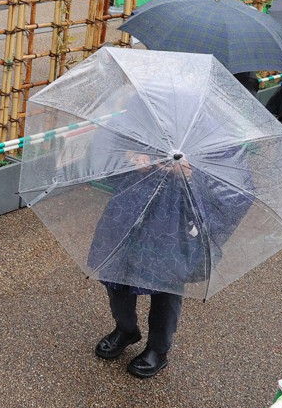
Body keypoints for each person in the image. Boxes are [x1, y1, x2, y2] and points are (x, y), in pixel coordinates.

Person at [90, 109, 251, 379]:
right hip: (129, 209)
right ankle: (126, 328)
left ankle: (158, 348)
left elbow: (236, 189)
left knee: (165, 283)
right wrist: (133, 159)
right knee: (115, 271)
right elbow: (106, 154)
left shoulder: (216, 127)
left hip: (174, 219)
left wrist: (191, 174)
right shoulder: (144, 110)